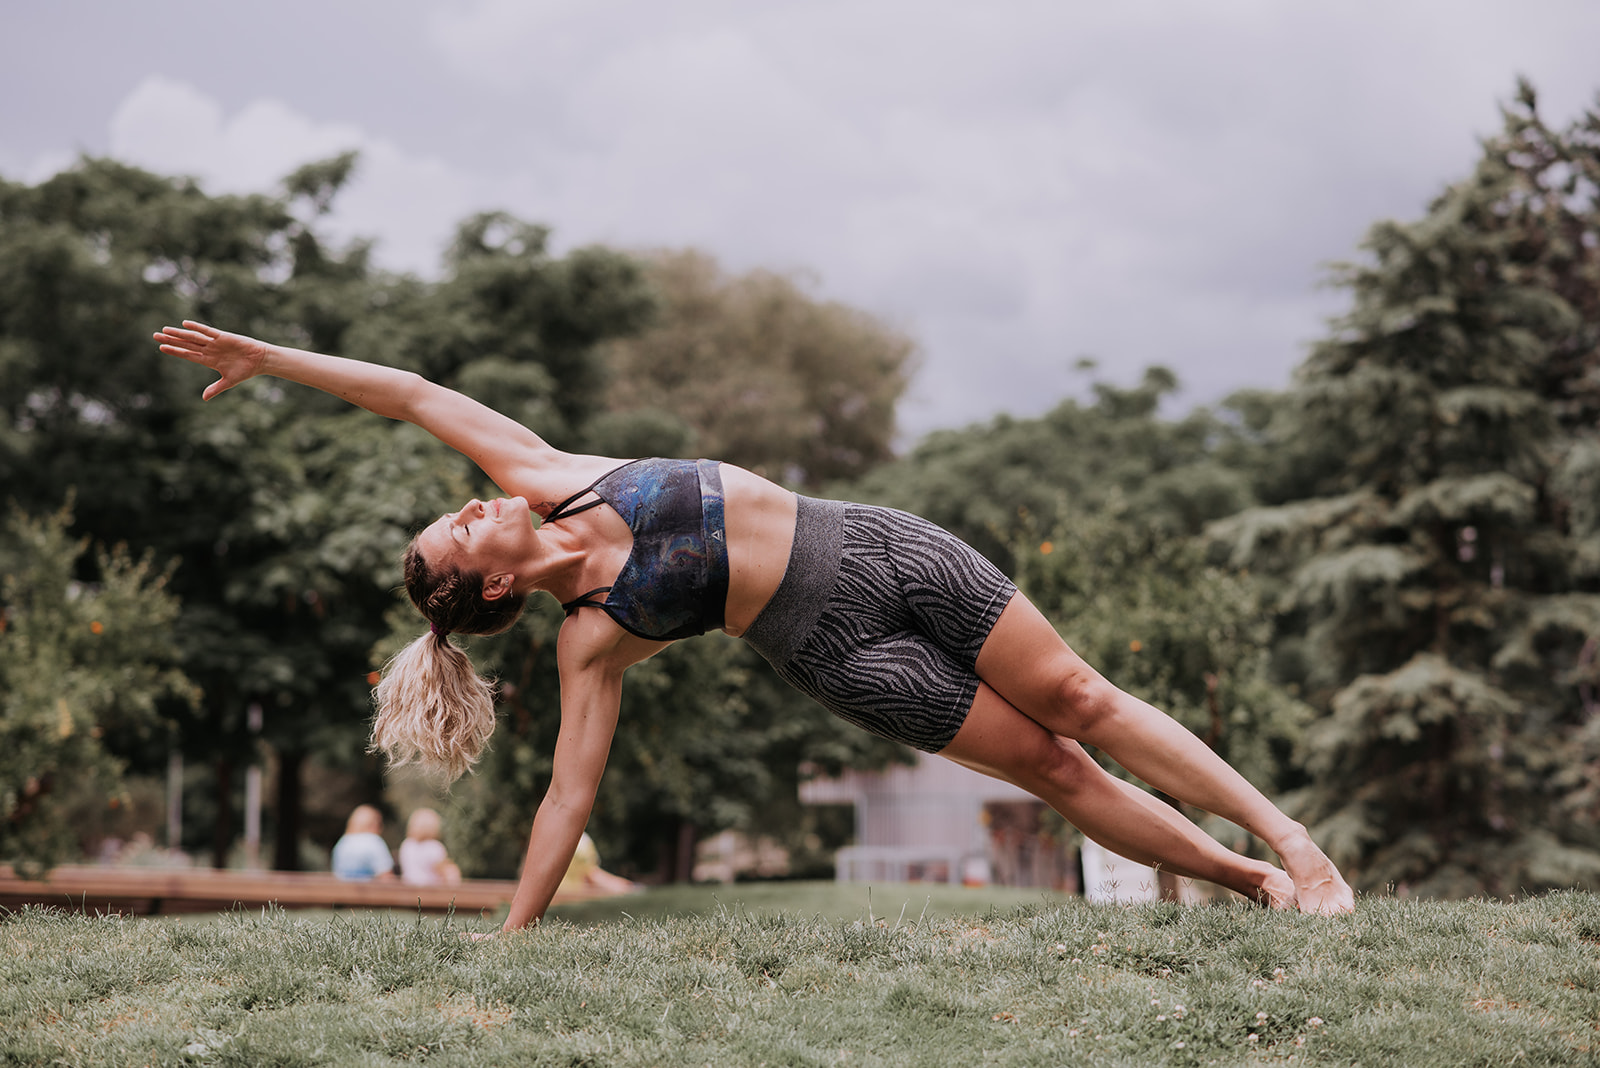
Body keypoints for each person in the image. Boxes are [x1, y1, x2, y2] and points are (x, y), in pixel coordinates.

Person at [155, 321, 1355, 930]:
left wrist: (271, 357)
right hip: (837, 653)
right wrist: (514, 934)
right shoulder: (589, 636)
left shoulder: (544, 470)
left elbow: (410, 394)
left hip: (881, 545)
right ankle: (1252, 884)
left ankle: (1289, 839)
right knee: (1051, 765)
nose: (468, 509)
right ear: (492, 591)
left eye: (456, 512)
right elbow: (567, 798)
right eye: (457, 536)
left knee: (1082, 699)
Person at [399, 808, 462, 887]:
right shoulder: (434, 847)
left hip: (408, 892)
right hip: (430, 894)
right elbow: (449, 874)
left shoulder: (407, 845)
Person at [330, 804, 395, 881]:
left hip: (343, 892)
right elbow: (386, 876)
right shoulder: (374, 841)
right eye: (380, 823)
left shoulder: (342, 843)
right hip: (369, 891)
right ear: (373, 824)